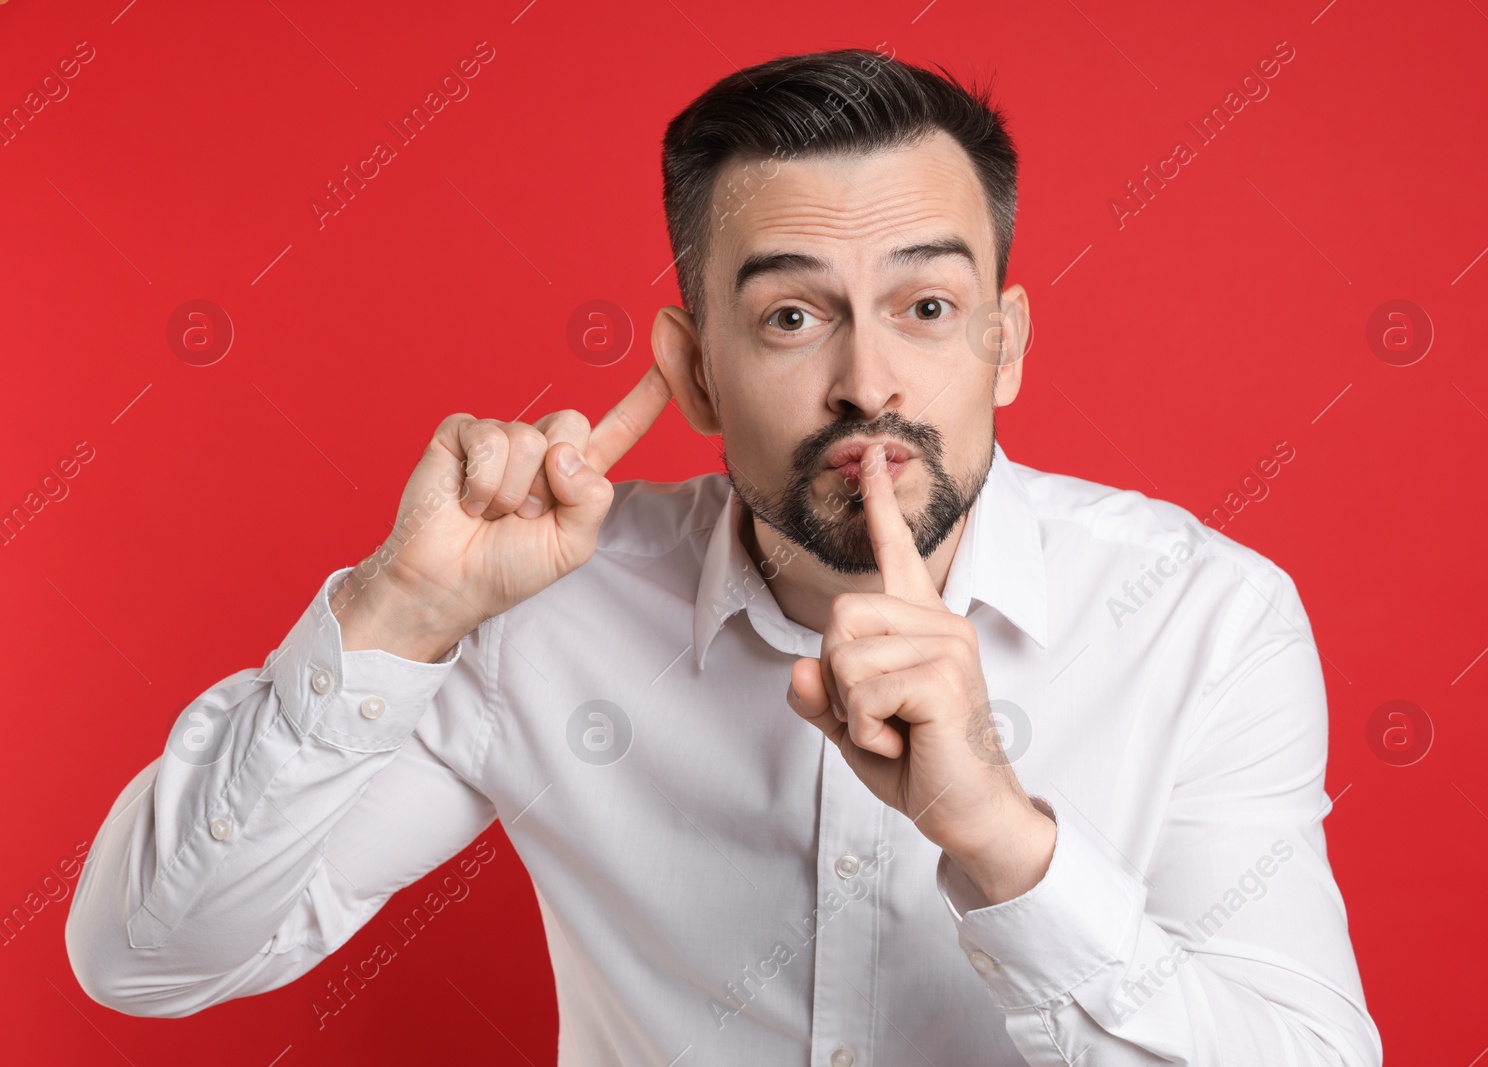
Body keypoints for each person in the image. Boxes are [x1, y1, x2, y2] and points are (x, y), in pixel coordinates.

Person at [66, 48, 1382, 1066]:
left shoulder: (1201, 620)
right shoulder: (544, 611)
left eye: (928, 309)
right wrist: (397, 615)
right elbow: (147, 958)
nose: (870, 386)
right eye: (793, 315)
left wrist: (996, 835)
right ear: (694, 368)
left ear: (1006, 341)